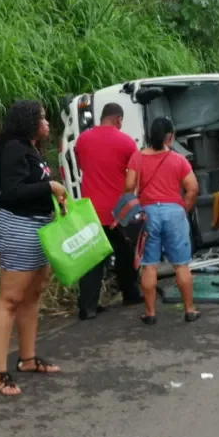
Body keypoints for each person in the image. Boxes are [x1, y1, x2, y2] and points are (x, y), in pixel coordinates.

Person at [0, 100, 65, 396]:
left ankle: (28, 358)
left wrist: (53, 196)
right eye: (42, 117)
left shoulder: (31, 150)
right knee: (10, 299)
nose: (46, 122)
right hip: (19, 227)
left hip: (39, 226)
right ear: (28, 121)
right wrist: (50, 188)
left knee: (32, 295)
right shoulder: (14, 149)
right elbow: (13, 191)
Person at [124, 117, 200, 325]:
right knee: (181, 265)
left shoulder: (137, 158)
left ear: (149, 136)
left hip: (148, 214)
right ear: (170, 136)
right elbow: (193, 188)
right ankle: (190, 310)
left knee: (149, 266)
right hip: (174, 212)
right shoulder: (179, 159)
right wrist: (182, 209)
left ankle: (150, 313)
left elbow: (129, 185)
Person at [73, 102, 143, 320]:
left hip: (90, 210)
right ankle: (131, 295)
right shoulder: (126, 142)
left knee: (92, 258)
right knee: (125, 253)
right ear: (118, 119)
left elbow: (81, 166)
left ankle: (88, 307)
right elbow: (134, 178)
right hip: (117, 211)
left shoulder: (82, 140)